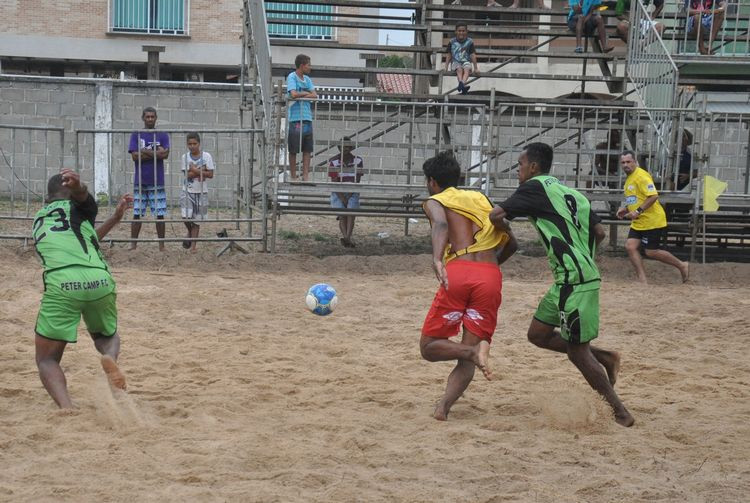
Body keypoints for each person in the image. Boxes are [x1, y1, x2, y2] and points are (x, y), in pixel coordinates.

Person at [490, 142, 634, 427]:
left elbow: (495, 215)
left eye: (520, 165)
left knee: (577, 353)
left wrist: (504, 229)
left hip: (574, 280)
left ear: (533, 166)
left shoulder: (533, 187)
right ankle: (605, 357)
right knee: (538, 334)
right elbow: (600, 232)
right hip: (569, 279)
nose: (518, 170)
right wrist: (582, 254)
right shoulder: (573, 194)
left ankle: (620, 411)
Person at [419, 152, 518, 421]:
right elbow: (513, 243)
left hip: (458, 273)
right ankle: (443, 408)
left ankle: (472, 352)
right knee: (468, 355)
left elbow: (440, 224)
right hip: (490, 275)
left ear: (432, 182)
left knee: (428, 348)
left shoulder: (435, 200)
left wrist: (437, 259)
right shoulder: (481, 198)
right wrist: (489, 268)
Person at [32, 169, 131, 408]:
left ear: (48, 198)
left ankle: (67, 408)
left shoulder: (39, 219)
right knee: (106, 337)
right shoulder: (82, 210)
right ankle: (109, 357)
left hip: (62, 282)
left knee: (47, 359)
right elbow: (84, 205)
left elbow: (81, 239)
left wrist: (115, 219)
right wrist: (80, 188)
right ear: (71, 196)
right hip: (99, 280)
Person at [616, 150, 689, 283]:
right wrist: (625, 209)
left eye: (628, 162)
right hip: (639, 221)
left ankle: (681, 265)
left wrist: (637, 211)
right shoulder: (629, 179)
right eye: (623, 162)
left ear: (635, 162)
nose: (625, 165)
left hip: (652, 220)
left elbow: (653, 196)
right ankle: (642, 279)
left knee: (651, 252)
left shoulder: (641, 176)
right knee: (630, 246)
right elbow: (636, 198)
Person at [128, 106, 170, 251]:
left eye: (152, 116)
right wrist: (154, 153)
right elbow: (134, 156)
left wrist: (144, 151)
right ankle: (133, 245)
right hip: (140, 181)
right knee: (137, 213)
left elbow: (165, 155)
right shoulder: (136, 134)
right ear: (143, 118)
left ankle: (161, 246)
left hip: (157, 180)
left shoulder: (162, 135)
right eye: (148, 117)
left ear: (156, 118)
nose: (150, 119)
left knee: (159, 214)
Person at [180, 132, 215, 252]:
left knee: (197, 219)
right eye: (190, 144)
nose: (192, 146)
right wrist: (201, 170)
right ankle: (190, 232)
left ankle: (193, 246)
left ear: (199, 144)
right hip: (187, 190)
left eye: (195, 143)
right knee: (185, 216)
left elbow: (210, 174)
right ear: (187, 144)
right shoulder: (185, 157)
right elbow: (186, 175)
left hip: (201, 192)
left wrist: (194, 169)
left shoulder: (206, 156)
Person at [328, 139, 364, 248]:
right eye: (344, 147)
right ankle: (347, 238)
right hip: (338, 191)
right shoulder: (333, 161)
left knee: (351, 214)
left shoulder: (358, 160)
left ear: (351, 148)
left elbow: (357, 180)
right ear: (339, 148)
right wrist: (342, 196)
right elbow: (334, 181)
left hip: (353, 190)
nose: (346, 149)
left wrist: (351, 192)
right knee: (342, 215)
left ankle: (347, 238)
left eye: (348, 147)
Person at [287, 54, 317, 181]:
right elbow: (293, 94)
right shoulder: (292, 77)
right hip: (295, 119)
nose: (310, 67)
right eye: (308, 65)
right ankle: (293, 176)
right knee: (293, 149)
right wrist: (305, 93)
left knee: (307, 149)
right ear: (302, 65)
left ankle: (305, 176)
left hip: (307, 117)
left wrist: (302, 95)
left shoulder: (308, 79)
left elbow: (315, 95)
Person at [445, 24, 479, 95]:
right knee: (459, 69)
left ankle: (462, 83)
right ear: (456, 32)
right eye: (459, 31)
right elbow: (449, 55)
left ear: (466, 32)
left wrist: (476, 68)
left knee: (466, 68)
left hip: (466, 61)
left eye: (463, 31)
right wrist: (446, 67)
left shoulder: (470, 42)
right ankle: (462, 84)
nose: (461, 33)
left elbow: (472, 55)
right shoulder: (452, 41)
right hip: (456, 61)